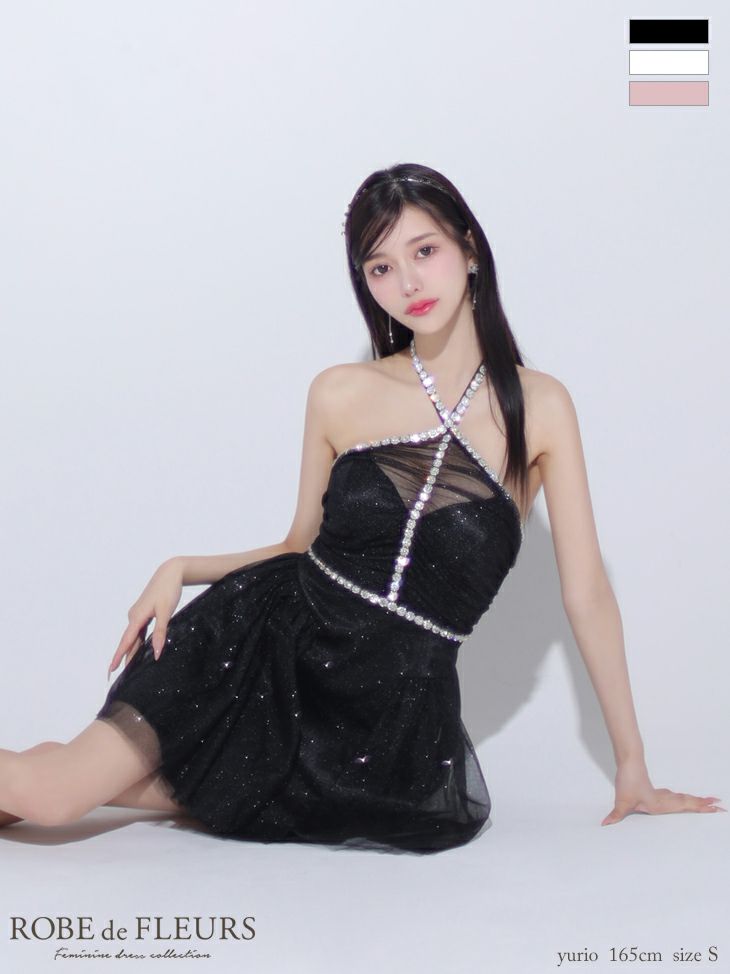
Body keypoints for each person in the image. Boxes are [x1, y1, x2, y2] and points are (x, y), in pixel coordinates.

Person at [0, 162, 723, 852]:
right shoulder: (340, 392)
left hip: (389, 719)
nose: (407, 283)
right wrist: (182, 566)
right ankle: (61, 769)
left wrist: (633, 766)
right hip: (268, 649)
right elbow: (298, 546)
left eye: (425, 251)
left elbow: (587, 594)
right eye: (380, 267)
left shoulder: (541, 408)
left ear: (470, 250)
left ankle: (64, 764)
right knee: (54, 799)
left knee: (64, 783)